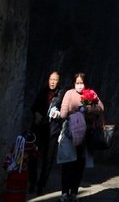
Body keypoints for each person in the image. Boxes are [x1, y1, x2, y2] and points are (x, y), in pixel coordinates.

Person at [58, 72, 101, 201]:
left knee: (71, 164)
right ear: (74, 83)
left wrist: (87, 110)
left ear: (85, 83)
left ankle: (68, 193)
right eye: (77, 83)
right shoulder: (71, 94)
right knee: (75, 165)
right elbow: (63, 113)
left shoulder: (89, 94)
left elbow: (63, 114)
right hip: (75, 135)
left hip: (78, 135)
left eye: (81, 83)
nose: (79, 86)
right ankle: (70, 193)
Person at [30, 70, 63, 194]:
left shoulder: (61, 94)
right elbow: (34, 107)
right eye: (51, 79)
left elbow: (65, 111)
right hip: (39, 129)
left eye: (55, 79)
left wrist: (59, 114)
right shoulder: (43, 91)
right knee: (33, 156)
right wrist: (36, 114)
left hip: (52, 131)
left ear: (59, 81)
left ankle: (41, 185)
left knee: (47, 160)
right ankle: (32, 182)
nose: (52, 82)